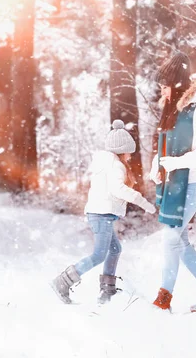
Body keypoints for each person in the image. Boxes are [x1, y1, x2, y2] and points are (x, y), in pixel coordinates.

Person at [51, 119, 156, 304]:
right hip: (101, 215)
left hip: (100, 214)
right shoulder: (116, 165)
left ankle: (107, 291)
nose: (130, 157)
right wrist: (143, 202)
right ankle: (63, 282)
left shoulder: (104, 163)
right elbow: (118, 190)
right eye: (128, 153)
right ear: (122, 150)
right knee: (99, 255)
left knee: (115, 249)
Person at [149, 51, 196, 312]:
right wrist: (155, 169)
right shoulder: (173, 113)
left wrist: (177, 164)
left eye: (165, 87)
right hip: (173, 185)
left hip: (192, 184)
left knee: (170, 238)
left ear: (178, 85)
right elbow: (164, 150)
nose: (163, 93)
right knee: (180, 241)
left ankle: (163, 299)